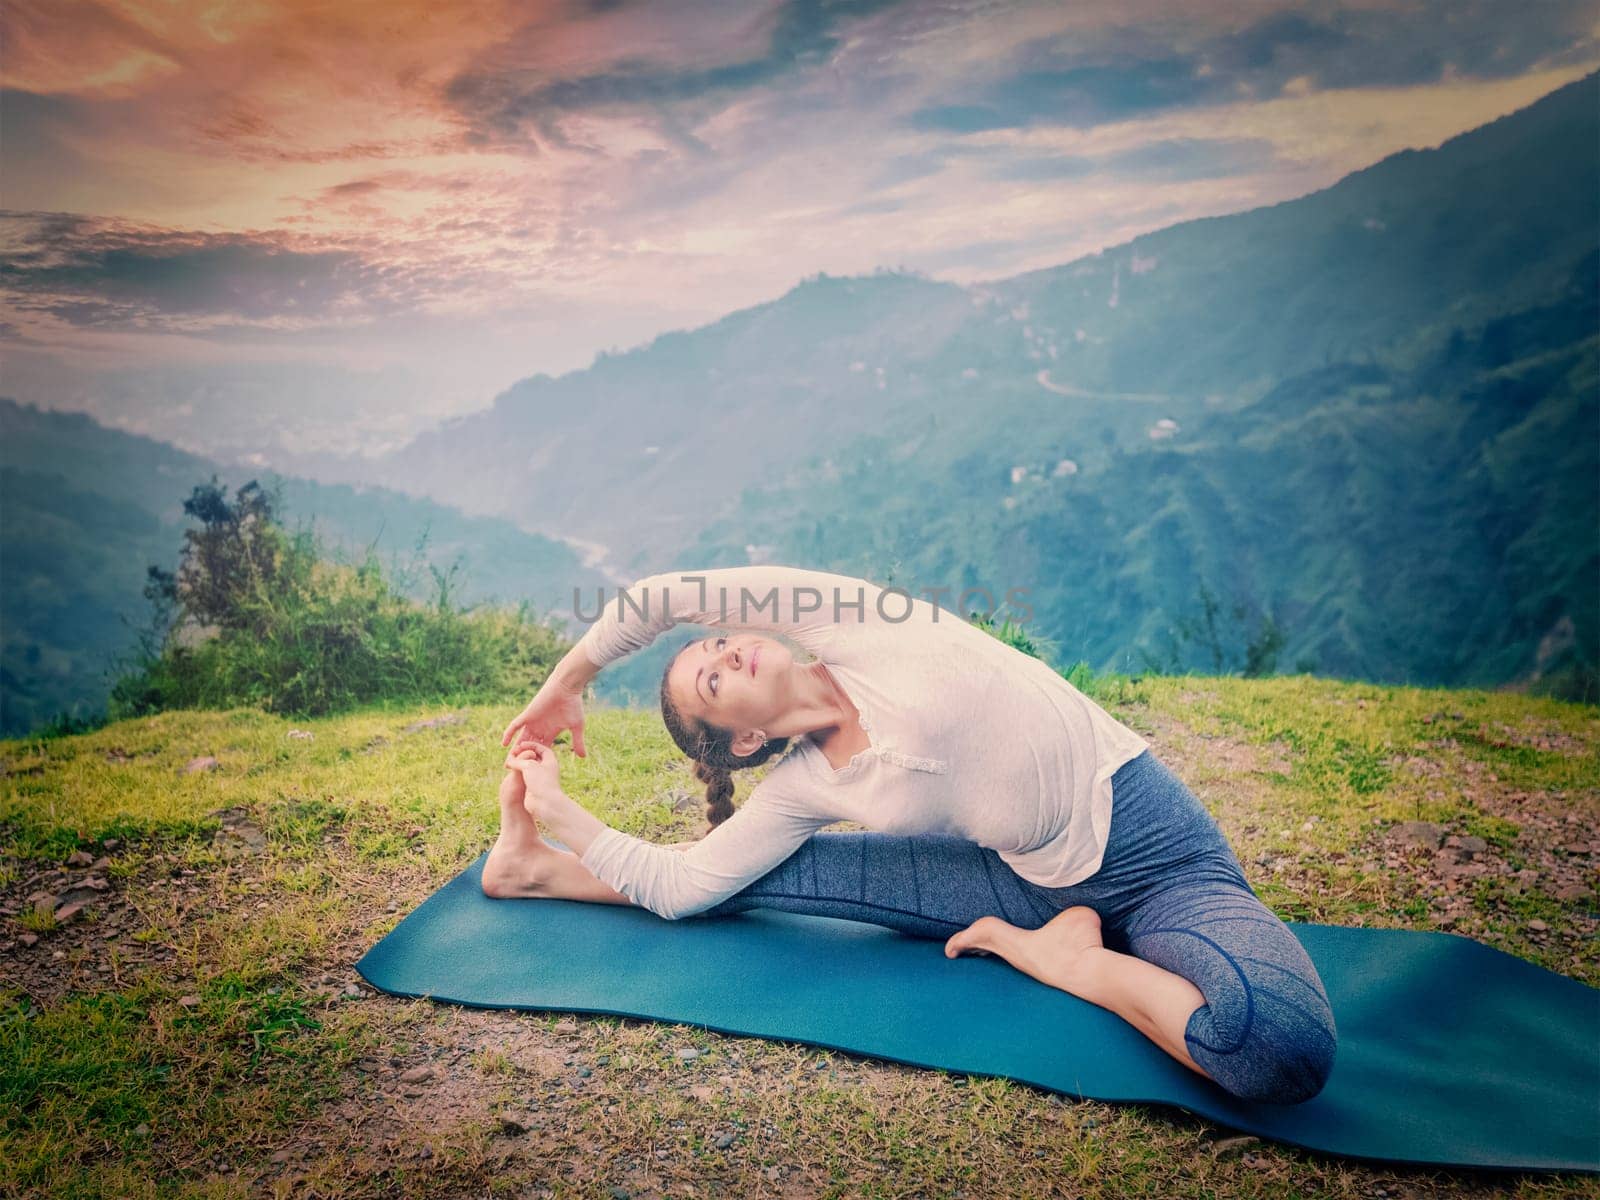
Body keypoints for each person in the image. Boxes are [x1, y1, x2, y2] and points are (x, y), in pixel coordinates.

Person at [489, 565, 1337, 1105]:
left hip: (1162, 861)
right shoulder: (804, 786)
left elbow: (665, 597)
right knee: (753, 876)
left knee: (1282, 1053)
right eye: (711, 678)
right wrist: (560, 816)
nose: (729, 651)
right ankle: (533, 868)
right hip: (1017, 881)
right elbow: (686, 888)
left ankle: (1068, 960)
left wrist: (570, 680)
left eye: (718, 644)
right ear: (744, 741)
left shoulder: (851, 621)